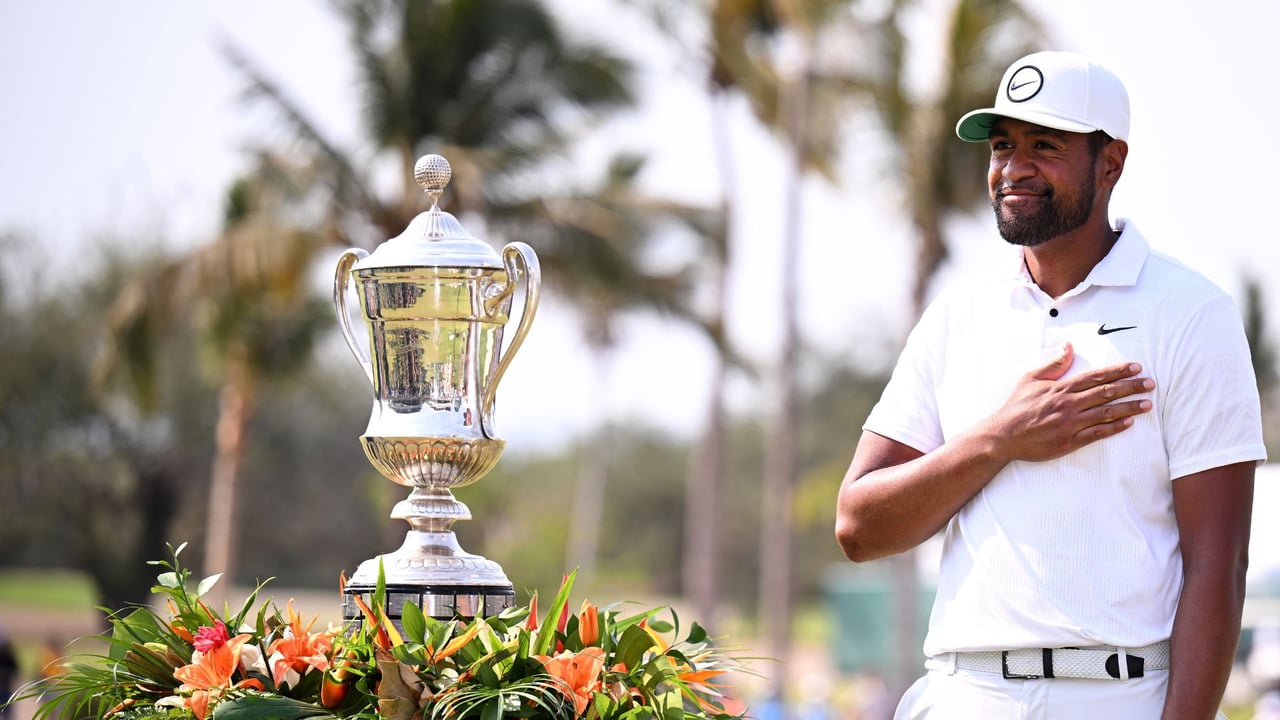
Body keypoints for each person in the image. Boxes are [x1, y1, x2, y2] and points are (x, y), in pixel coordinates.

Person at [834, 50, 1266, 719]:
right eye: (1002, 146)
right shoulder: (957, 315)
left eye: (1045, 145)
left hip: (1118, 696)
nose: (1014, 168)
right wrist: (1000, 438)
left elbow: (1219, 561)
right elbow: (859, 527)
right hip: (962, 695)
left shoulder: (1191, 313)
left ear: (1111, 163)